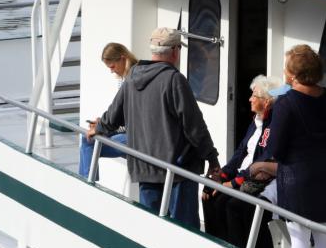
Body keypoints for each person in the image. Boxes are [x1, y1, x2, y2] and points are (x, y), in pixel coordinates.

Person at [90, 28, 221, 227]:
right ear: (176, 51)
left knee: (151, 228)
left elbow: (113, 117)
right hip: (177, 170)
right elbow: (194, 127)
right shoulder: (174, 80)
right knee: (184, 231)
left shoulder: (132, 77)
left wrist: (98, 127)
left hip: (145, 167)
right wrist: (212, 159)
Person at [265, 44, 326, 248]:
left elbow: (276, 149)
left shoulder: (285, 103)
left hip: (296, 178)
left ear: (293, 74)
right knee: (324, 235)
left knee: (299, 234)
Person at [202, 75, 283, 248]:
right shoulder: (255, 122)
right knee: (208, 195)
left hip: (259, 181)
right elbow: (240, 152)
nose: (249, 99)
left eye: (254, 95)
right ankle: (217, 247)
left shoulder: (274, 125)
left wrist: (234, 182)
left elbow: (261, 163)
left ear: (266, 100)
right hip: (243, 176)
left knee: (230, 205)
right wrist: (222, 175)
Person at [77, 42, 139, 177]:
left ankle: (87, 183)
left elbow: (132, 120)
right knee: (87, 138)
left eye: (112, 67)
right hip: (127, 129)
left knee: (89, 141)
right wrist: (103, 125)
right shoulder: (125, 79)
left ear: (122, 59)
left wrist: (104, 127)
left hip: (136, 136)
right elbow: (122, 115)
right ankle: (86, 180)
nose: (111, 71)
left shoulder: (131, 80)